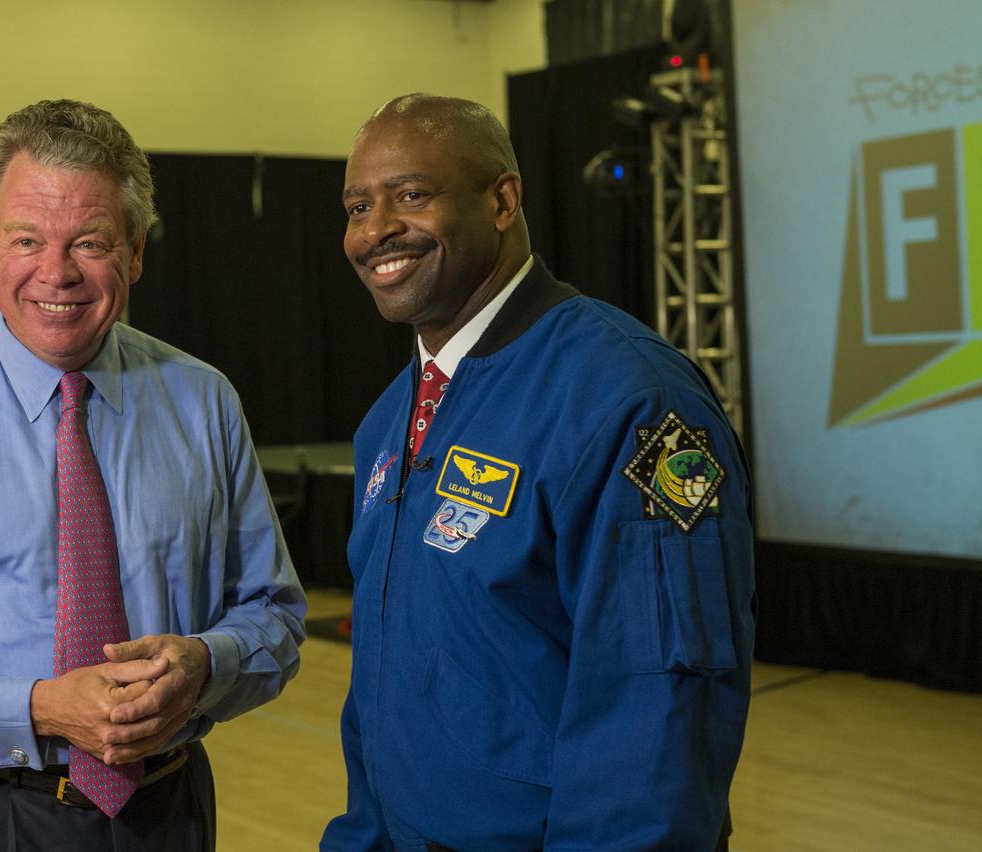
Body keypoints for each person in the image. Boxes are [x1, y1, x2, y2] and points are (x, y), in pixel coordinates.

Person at [0, 99, 306, 851]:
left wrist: (207, 663)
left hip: (167, 816)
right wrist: (36, 709)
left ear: (136, 252)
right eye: (28, 239)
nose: (56, 272)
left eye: (91, 242)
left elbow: (275, 613)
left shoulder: (204, 402)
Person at [322, 94, 755, 851]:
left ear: (502, 199)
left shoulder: (631, 399)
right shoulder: (390, 418)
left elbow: (658, 708)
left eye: (412, 194)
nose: (377, 228)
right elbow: (388, 687)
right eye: (359, 205)